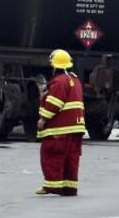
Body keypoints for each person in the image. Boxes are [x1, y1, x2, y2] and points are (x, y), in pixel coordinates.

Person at [35, 48, 85, 196]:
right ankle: (69, 188)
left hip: (59, 130)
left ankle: (52, 187)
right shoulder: (75, 80)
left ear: (55, 65)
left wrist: (43, 119)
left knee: (52, 157)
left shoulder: (59, 82)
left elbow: (54, 104)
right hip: (75, 128)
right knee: (71, 159)